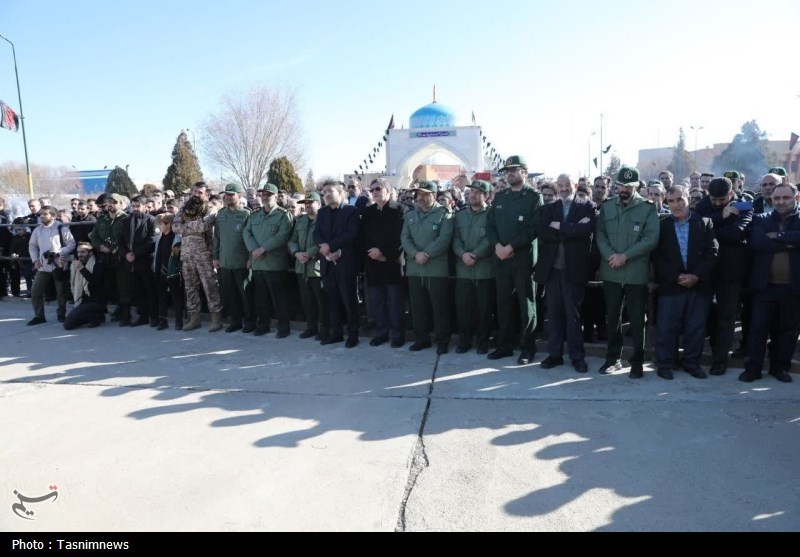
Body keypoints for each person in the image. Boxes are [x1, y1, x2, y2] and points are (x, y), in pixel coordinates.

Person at [596, 167, 660, 378]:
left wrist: (626, 256)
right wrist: (612, 256)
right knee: (612, 317)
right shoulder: (607, 207)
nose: (624, 189)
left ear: (636, 186)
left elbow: (651, 238)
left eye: (629, 186)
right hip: (611, 270)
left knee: (636, 318)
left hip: (635, 273)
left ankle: (637, 362)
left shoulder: (647, 208)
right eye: (621, 185)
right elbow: (600, 236)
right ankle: (613, 358)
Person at [652, 186, 718, 379]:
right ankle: (664, 363)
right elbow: (657, 255)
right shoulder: (661, 225)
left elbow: (712, 252)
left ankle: (692, 363)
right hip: (671, 285)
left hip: (698, 284)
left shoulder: (705, 223)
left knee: (695, 327)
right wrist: (675, 277)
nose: (676, 205)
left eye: (680, 199)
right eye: (671, 201)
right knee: (666, 327)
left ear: (689, 199)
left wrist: (696, 276)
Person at [739, 183, 800, 383]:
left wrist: (779, 237)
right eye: (777, 198)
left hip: (793, 288)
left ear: (796, 198)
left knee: (787, 331)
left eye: (786, 198)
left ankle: (779, 368)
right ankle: (753, 369)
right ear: (771, 200)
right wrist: (791, 243)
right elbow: (758, 243)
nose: (781, 202)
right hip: (765, 287)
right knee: (758, 331)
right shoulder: (761, 219)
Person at [535, 174, 595, 373]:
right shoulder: (548, 208)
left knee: (573, 315)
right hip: (552, 270)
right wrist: (572, 230)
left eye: (566, 185)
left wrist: (559, 227)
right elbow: (543, 232)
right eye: (559, 185)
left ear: (574, 185)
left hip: (574, 270)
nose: (563, 189)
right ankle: (555, 355)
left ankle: (577, 357)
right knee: (554, 314)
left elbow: (585, 231)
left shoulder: (587, 207)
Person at [487, 155, 543, 365]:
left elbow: (532, 229)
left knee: (526, 305)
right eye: (507, 170)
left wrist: (510, 247)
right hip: (501, 259)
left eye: (514, 170)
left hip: (523, 261)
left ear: (525, 172)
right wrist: (498, 247)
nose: (509, 173)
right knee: (503, 304)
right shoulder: (500, 198)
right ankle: (505, 346)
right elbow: (490, 226)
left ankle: (528, 348)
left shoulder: (534, 198)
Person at [693, 177, 753, 375]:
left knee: (725, 318)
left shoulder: (744, 205)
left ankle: (720, 360)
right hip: (706, 271)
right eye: (714, 200)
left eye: (722, 200)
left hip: (730, 272)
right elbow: (698, 230)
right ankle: (697, 355)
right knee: (703, 316)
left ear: (731, 193)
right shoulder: (703, 204)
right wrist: (722, 217)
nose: (718, 204)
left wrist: (713, 226)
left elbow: (737, 233)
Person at [401, 180, 454, 354]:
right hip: (415, 268)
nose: (421, 198)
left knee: (439, 307)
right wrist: (416, 254)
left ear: (434, 195)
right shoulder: (410, 215)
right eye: (419, 194)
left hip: (435, 268)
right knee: (418, 307)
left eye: (425, 194)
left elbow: (444, 239)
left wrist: (426, 254)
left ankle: (442, 340)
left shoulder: (444, 214)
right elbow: (405, 238)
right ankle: (421, 338)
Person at [314, 180, 362, 348]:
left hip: (346, 263)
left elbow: (352, 234)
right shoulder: (322, 213)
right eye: (324, 192)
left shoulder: (351, 212)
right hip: (327, 262)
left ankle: (353, 334)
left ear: (341, 193)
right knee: (332, 301)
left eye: (330, 191)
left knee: (349, 300)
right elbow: (317, 234)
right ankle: (336, 333)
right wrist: (325, 250)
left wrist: (332, 247)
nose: (326, 194)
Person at [243, 183, 293, 338]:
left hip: (275, 264)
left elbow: (283, 236)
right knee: (261, 299)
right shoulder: (255, 214)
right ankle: (263, 325)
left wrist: (263, 249)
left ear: (276, 196)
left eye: (269, 194)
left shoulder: (283, 215)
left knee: (279, 299)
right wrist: (253, 249)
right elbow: (246, 232)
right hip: (258, 263)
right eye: (263, 194)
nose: (265, 197)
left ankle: (283, 328)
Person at [361, 178, 406, 348]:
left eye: (378, 188)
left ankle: (397, 335)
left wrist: (383, 252)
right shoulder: (368, 212)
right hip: (373, 262)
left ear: (387, 190)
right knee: (377, 302)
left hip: (392, 262)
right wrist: (372, 251)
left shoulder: (399, 210)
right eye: (372, 190)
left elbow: (400, 237)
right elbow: (363, 236)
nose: (375, 192)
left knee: (395, 303)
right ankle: (381, 333)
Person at [172, 182, 223, 332]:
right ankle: (194, 318)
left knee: (210, 286)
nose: (196, 194)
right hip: (187, 255)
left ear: (206, 194)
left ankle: (216, 318)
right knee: (190, 287)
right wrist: (191, 226)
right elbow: (175, 227)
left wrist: (185, 227)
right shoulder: (184, 208)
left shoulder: (210, 208)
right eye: (194, 191)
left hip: (204, 254)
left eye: (200, 192)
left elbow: (204, 225)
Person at [452, 180, 494, 354]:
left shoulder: (492, 214)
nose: (472, 195)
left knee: (484, 309)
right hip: (464, 270)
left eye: (477, 192)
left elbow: (490, 238)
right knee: (464, 308)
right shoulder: (460, 215)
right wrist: (463, 254)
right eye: (471, 192)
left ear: (486, 195)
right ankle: (465, 340)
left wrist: (475, 255)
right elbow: (455, 239)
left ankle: (482, 341)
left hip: (484, 270)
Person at [212, 183, 254, 334]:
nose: (228, 197)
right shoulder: (221, 214)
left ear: (239, 196)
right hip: (224, 261)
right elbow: (216, 237)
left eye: (232, 194)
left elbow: (251, 237)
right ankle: (235, 321)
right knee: (230, 294)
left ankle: (249, 321)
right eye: (226, 195)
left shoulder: (246, 214)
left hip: (241, 261)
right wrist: (215, 256)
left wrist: (250, 258)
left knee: (245, 294)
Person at [289, 192, 329, 341]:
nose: (307, 206)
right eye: (305, 203)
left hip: (317, 268)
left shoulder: (324, 220)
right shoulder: (300, 221)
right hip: (301, 266)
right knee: (307, 301)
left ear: (319, 204)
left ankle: (323, 329)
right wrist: (296, 252)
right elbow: (292, 239)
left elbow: (324, 241)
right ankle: (310, 327)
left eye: (310, 202)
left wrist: (309, 254)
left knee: (321, 302)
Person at [27, 206, 75, 325]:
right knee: (35, 291)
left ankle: (61, 313)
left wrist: (59, 252)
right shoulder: (37, 230)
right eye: (41, 214)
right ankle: (39, 316)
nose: (42, 216)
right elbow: (32, 246)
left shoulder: (61, 228)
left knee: (61, 292)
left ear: (53, 216)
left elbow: (72, 244)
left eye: (45, 214)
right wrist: (35, 260)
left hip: (59, 264)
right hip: (43, 266)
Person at [89, 193, 130, 324]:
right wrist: (100, 246)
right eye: (109, 202)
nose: (111, 205)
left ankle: (126, 315)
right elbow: (93, 236)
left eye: (114, 202)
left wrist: (113, 249)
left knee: (123, 287)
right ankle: (118, 310)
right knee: (111, 287)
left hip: (120, 258)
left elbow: (127, 239)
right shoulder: (102, 219)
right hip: (105, 259)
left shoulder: (126, 219)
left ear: (121, 204)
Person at [121, 195, 157, 327]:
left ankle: (153, 316)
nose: (135, 209)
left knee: (150, 290)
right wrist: (126, 254)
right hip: (130, 262)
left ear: (144, 206)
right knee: (137, 291)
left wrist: (136, 253)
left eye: (138, 206)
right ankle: (142, 316)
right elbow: (121, 240)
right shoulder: (126, 220)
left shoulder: (152, 220)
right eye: (133, 206)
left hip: (145, 261)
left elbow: (152, 240)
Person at [63, 243, 108, 330]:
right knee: (68, 325)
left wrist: (82, 268)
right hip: (81, 302)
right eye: (78, 252)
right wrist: (61, 267)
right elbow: (61, 278)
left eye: (83, 252)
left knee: (70, 321)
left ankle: (97, 317)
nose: (80, 255)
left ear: (90, 253)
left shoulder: (97, 264)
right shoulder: (75, 265)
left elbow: (94, 281)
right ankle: (96, 317)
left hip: (96, 302)